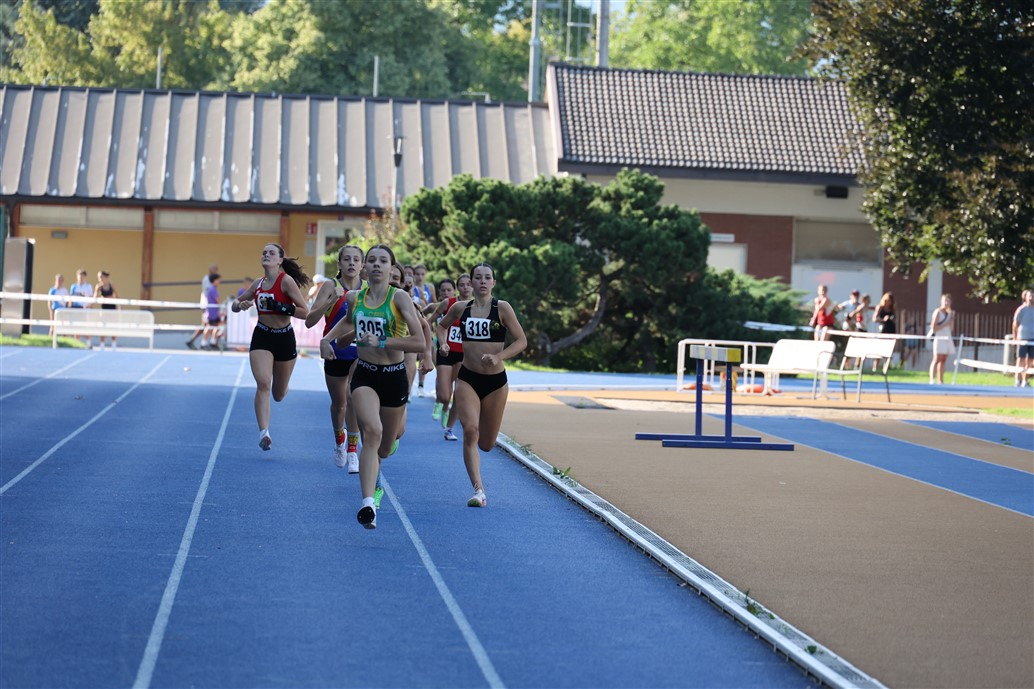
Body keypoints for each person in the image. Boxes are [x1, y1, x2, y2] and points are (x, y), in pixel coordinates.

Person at [319, 245, 427, 529]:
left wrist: (382, 341)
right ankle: (368, 504)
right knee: (372, 432)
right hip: (365, 374)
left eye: (383, 261)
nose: (377, 265)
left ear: (392, 268)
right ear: (365, 268)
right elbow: (347, 321)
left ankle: (385, 450)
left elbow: (419, 342)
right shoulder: (355, 297)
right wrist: (327, 340)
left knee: (385, 447)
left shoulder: (399, 298)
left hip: (394, 376)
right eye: (372, 260)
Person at [436, 262, 527, 508]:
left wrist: (499, 357)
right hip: (468, 378)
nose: (483, 281)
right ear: (471, 282)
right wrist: (443, 343)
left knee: (486, 444)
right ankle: (479, 490)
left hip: (495, 383)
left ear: (493, 282)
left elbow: (521, 341)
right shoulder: (460, 308)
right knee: (470, 431)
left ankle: (480, 478)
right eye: (478, 277)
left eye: (488, 277)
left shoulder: (502, 308)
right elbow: (441, 326)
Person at [231, 244, 310, 451]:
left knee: (278, 394)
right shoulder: (257, 284)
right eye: (264, 252)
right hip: (262, 336)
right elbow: (235, 304)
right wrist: (240, 305)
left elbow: (305, 312)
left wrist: (281, 307)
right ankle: (264, 432)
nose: (266, 255)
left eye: (271, 253)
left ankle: (283, 386)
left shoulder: (286, 281)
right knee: (264, 383)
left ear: (280, 260)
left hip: (284, 338)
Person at [305, 245, 364, 471]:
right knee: (339, 405)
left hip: (360, 352)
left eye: (356, 259)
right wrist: (330, 301)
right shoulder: (331, 285)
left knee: (352, 397)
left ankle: (353, 449)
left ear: (362, 264)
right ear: (339, 264)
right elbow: (310, 321)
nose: (351, 263)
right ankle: (340, 441)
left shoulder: (368, 288)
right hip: (335, 352)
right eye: (346, 259)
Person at [187, 264, 219, 350]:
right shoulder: (207, 279)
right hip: (207, 305)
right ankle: (204, 343)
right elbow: (208, 293)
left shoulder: (212, 282)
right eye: (214, 270)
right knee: (207, 325)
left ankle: (195, 341)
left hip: (210, 306)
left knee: (208, 325)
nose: (216, 271)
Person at [928, 293, 956, 384]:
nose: (946, 303)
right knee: (936, 358)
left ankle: (941, 380)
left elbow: (951, 328)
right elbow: (934, 327)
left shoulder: (949, 313)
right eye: (945, 301)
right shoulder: (937, 312)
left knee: (943, 359)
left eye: (948, 301)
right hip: (939, 337)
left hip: (947, 337)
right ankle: (932, 379)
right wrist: (945, 324)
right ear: (941, 301)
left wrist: (951, 319)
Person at [1012, 289, 1033, 388]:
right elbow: (1015, 324)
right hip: (1023, 339)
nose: (1031, 298)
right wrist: (1015, 337)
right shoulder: (1021, 309)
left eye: (1033, 296)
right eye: (1030, 296)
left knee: (1030, 361)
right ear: (1025, 297)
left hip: (1032, 339)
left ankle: (1025, 381)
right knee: (1021, 359)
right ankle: (1018, 380)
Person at [68, 268, 95, 346]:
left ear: (85, 277)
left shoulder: (88, 286)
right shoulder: (74, 286)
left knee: (86, 327)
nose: (81, 278)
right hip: (76, 308)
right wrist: (70, 308)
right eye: (79, 276)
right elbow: (71, 298)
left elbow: (91, 298)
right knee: (76, 327)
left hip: (85, 309)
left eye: (82, 276)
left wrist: (90, 306)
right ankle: (77, 344)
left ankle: (88, 344)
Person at [94, 270, 120, 350]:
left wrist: (119, 307)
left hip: (112, 308)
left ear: (105, 277)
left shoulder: (111, 285)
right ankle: (102, 345)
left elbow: (116, 296)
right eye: (98, 277)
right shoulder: (98, 286)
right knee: (103, 326)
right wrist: (98, 293)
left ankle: (114, 344)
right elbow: (95, 298)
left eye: (101, 277)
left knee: (113, 326)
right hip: (104, 308)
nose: (99, 279)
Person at [200, 274, 222, 350]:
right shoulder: (213, 290)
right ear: (214, 280)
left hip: (212, 311)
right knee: (209, 327)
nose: (219, 281)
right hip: (212, 312)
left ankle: (212, 342)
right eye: (218, 280)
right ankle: (204, 343)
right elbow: (217, 300)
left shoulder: (212, 289)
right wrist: (220, 310)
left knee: (216, 326)